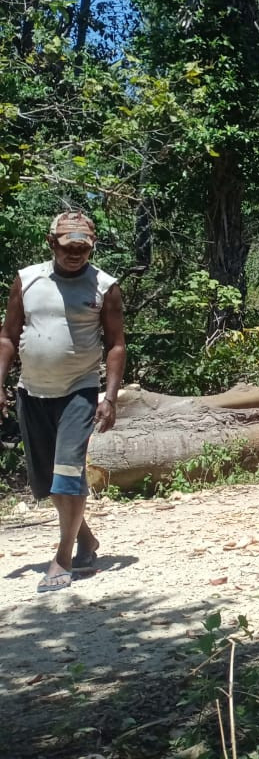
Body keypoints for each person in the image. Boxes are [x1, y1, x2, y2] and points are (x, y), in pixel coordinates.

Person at [0, 212, 125, 593]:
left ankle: (63, 557)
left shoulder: (104, 285)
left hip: (79, 390)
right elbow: (7, 336)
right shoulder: (28, 280)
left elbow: (116, 344)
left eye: (82, 248)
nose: (75, 255)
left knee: (68, 474)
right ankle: (86, 541)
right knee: (50, 483)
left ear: (92, 246)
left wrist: (110, 397)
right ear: (51, 243)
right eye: (68, 247)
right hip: (32, 392)